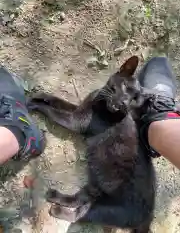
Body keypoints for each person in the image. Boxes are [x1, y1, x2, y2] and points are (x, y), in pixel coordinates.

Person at [0, 56, 180, 169]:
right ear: (120, 70)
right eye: (120, 87)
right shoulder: (105, 96)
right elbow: (79, 112)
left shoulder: (115, 116)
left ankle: (156, 121)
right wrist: (48, 98)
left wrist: (41, 106)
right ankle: (160, 117)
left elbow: (75, 122)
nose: (120, 100)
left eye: (129, 99)